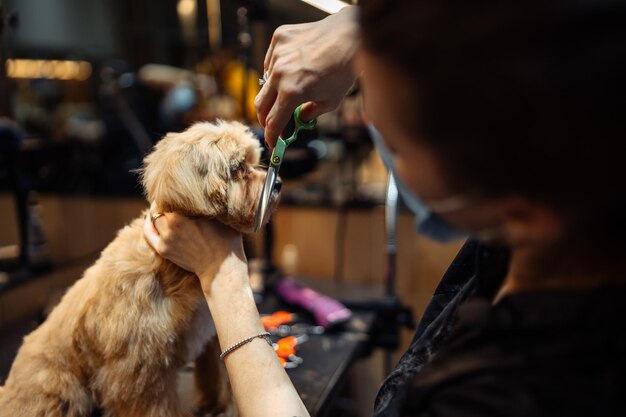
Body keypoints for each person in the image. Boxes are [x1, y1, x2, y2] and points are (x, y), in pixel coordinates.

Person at [144, 1, 626, 416]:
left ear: (521, 204)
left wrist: (221, 276)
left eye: (393, 141)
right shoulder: (550, 233)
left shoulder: (516, 394)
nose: (375, 133)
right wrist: (364, 28)